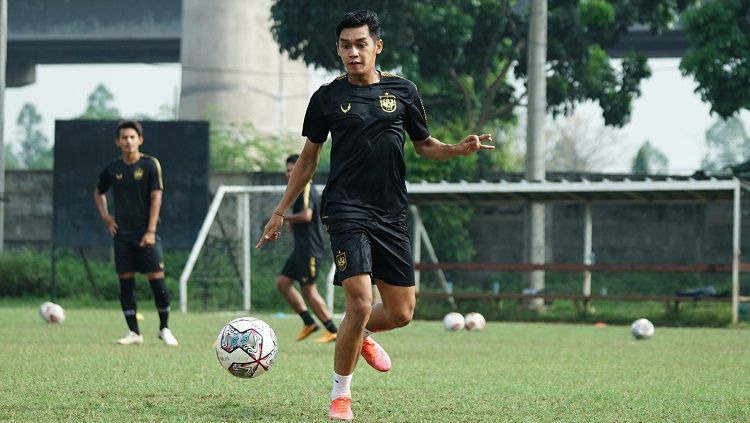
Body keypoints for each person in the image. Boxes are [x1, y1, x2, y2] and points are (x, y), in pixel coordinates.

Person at [256, 10, 493, 420]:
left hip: (391, 212)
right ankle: (340, 397)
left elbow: (424, 145)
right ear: (338, 49)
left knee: (401, 313)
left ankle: (358, 333)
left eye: (360, 44)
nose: (352, 52)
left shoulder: (403, 92)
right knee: (361, 302)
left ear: (376, 46)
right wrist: (279, 210)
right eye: (345, 45)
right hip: (345, 210)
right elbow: (308, 161)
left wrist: (457, 148)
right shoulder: (326, 98)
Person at [94, 120, 179, 347]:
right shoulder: (112, 169)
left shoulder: (151, 164)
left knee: (157, 281)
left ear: (140, 139)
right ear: (117, 141)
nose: (128, 141)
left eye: (132, 137)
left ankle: (164, 328)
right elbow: (99, 192)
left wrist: (151, 231)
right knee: (126, 283)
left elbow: (156, 197)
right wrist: (105, 216)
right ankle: (134, 332)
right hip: (123, 235)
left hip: (146, 234)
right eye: (124, 137)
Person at [277, 154, 338, 343]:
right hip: (301, 249)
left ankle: (332, 329)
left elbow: (306, 215)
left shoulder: (305, 186)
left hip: (309, 249)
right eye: (287, 170)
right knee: (283, 283)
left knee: (309, 290)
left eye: (292, 170)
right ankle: (308, 321)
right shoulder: (297, 189)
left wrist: (282, 218)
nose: (288, 174)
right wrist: (291, 223)